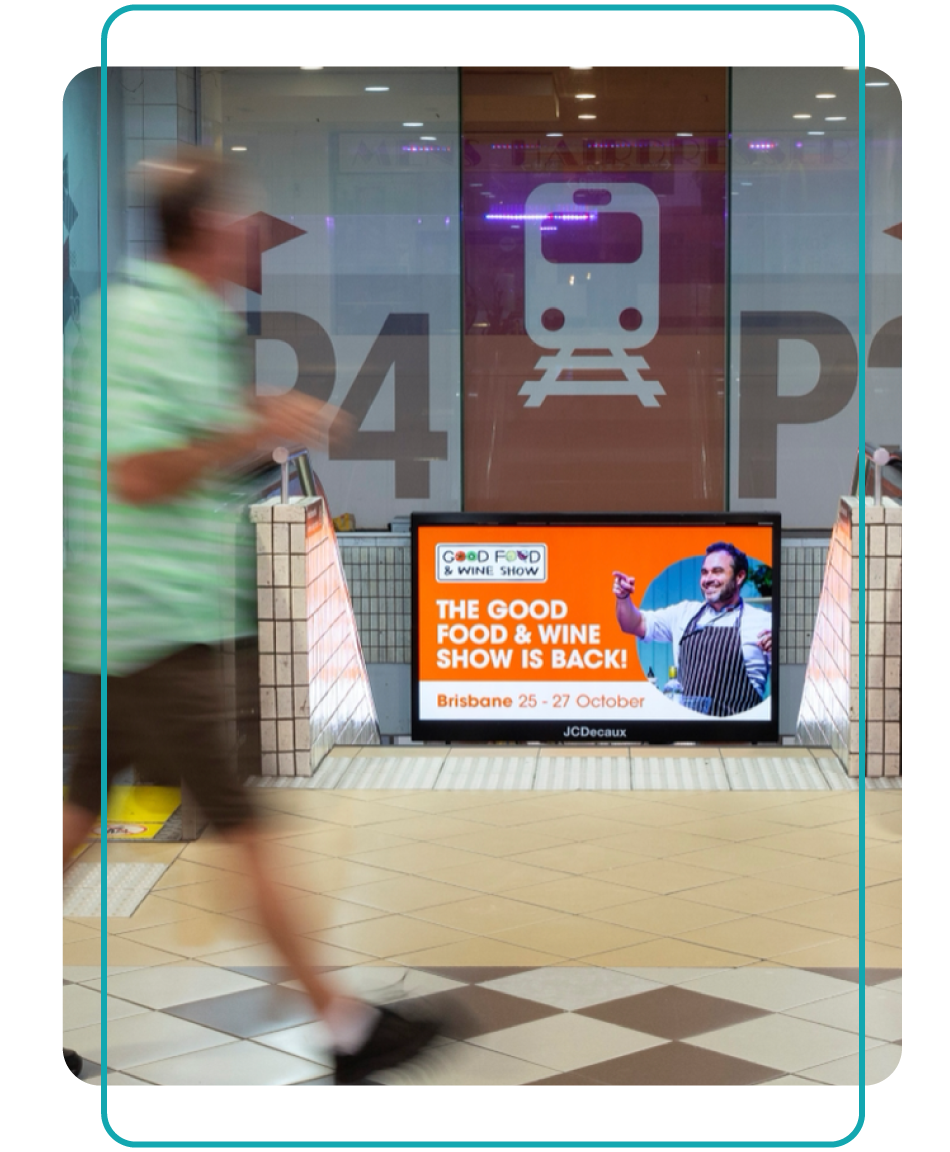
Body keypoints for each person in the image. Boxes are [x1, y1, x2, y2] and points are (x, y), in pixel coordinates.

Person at [62, 148, 439, 1084]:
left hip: (138, 619)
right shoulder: (148, 320)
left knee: (76, 814)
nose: (254, 234)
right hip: (155, 623)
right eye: (241, 218)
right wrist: (260, 421)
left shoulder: (172, 316)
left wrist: (247, 429)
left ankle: (340, 1017)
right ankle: (342, 1024)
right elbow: (140, 471)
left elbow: (176, 456)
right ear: (204, 227)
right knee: (247, 826)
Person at [612, 542, 772, 717]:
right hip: (686, 737)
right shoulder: (684, 613)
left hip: (736, 738)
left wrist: (776, 648)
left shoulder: (762, 621)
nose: (708, 579)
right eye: (704, 572)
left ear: (740, 576)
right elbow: (633, 624)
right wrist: (623, 597)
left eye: (717, 571)